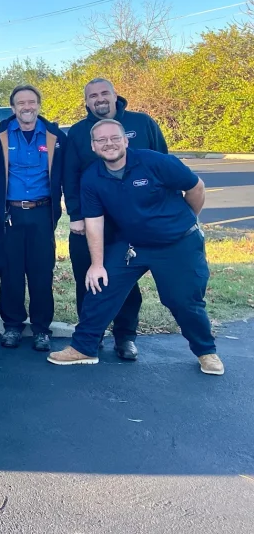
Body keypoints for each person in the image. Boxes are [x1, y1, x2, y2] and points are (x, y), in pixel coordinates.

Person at [48, 119, 224, 376]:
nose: (109, 144)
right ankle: (84, 348)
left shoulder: (155, 162)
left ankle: (206, 351)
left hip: (178, 245)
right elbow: (94, 224)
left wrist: (184, 223)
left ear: (125, 140)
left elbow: (196, 187)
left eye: (114, 138)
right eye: (101, 140)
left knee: (183, 300)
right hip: (133, 246)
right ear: (94, 147)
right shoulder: (92, 178)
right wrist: (96, 265)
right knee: (100, 285)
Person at [63, 78, 168, 361]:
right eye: (93, 95)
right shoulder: (77, 133)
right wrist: (76, 215)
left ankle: (125, 336)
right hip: (91, 221)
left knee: (126, 280)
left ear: (114, 95)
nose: (99, 99)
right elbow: (69, 176)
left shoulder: (142, 123)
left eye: (104, 93)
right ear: (86, 102)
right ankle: (90, 336)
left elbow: (164, 166)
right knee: (88, 279)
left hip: (133, 223)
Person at [0, 85, 67, 352]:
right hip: (10, 213)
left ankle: (42, 329)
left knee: (41, 272)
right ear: (12, 108)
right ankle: (12, 326)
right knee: (10, 272)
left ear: (39, 105)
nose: (27, 107)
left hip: (43, 212)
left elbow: (66, 174)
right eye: (20, 103)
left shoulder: (55, 136)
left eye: (31, 102)